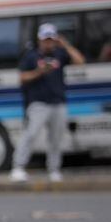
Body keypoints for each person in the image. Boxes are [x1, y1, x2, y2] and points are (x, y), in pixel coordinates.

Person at [10, 23, 86, 183]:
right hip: (38, 103)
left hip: (58, 102)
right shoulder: (31, 56)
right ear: (40, 39)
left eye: (51, 39)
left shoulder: (60, 53)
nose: (48, 43)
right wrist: (39, 72)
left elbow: (80, 61)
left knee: (56, 138)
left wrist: (65, 44)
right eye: (45, 39)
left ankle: (54, 170)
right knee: (30, 134)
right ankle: (18, 167)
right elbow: (22, 77)